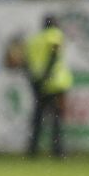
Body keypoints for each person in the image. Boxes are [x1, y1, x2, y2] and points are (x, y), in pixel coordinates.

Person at [24, 14, 72, 158]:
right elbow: (53, 56)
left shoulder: (34, 40)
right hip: (56, 84)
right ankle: (57, 151)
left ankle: (32, 150)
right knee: (56, 120)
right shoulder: (55, 35)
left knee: (38, 119)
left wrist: (36, 80)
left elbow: (27, 62)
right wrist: (46, 76)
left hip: (38, 84)